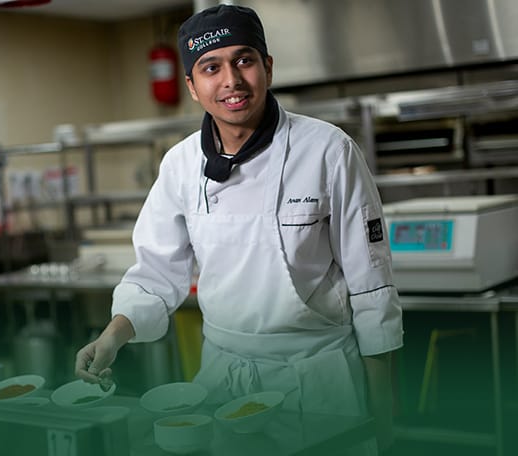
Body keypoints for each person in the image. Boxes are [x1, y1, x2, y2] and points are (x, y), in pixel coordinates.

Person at [75, 4, 403, 454]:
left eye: (244, 60)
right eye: (211, 68)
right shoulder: (181, 165)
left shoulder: (328, 151)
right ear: (191, 85)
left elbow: (371, 290)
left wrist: (382, 422)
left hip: (320, 380)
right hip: (223, 379)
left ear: (267, 67)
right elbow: (155, 273)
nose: (231, 80)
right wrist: (111, 338)